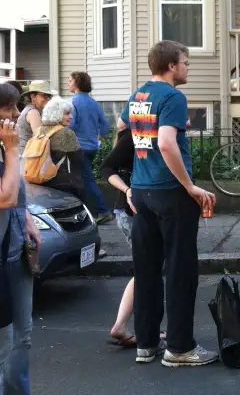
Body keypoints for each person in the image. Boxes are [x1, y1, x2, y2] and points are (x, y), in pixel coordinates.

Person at [118, 40, 217, 367]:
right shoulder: (173, 96)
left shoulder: (137, 95)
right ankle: (179, 348)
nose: (188, 68)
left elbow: (122, 126)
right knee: (180, 271)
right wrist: (189, 186)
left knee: (146, 271)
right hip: (170, 193)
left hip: (141, 192)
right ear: (172, 66)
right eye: (186, 63)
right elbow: (165, 142)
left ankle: (145, 345)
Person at [0, 82, 40, 395]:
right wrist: (14, 149)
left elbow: (16, 193)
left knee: (23, 335)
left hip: (16, 252)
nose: (17, 115)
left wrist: (27, 217)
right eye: (9, 109)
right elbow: (2, 197)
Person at [101, 127, 167, 349]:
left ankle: (136, 326)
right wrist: (128, 190)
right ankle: (130, 326)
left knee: (147, 270)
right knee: (147, 271)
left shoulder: (147, 132)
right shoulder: (134, 134)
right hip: (132, 213)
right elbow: (107, 167)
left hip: (134, 212)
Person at [68, 71, 112, 223]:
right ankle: (89, 211)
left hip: (78, 147)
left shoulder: (72, 102)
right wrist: (97, 138)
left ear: (77, 83)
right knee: (84, 178)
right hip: (92, 147)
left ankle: (103, 210)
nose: (68, 83)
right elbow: (106, 126)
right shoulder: (94, 103)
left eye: (70, 81)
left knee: (85, 180)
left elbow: (70, 125)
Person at [16, 80, 57, 157]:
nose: (47, 99)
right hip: (26, 156)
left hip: (26, 154)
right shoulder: (33, 112)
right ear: (33, 96)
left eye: (49, 96)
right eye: (44, 95)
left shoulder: (34, 110)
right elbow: (40, 137)